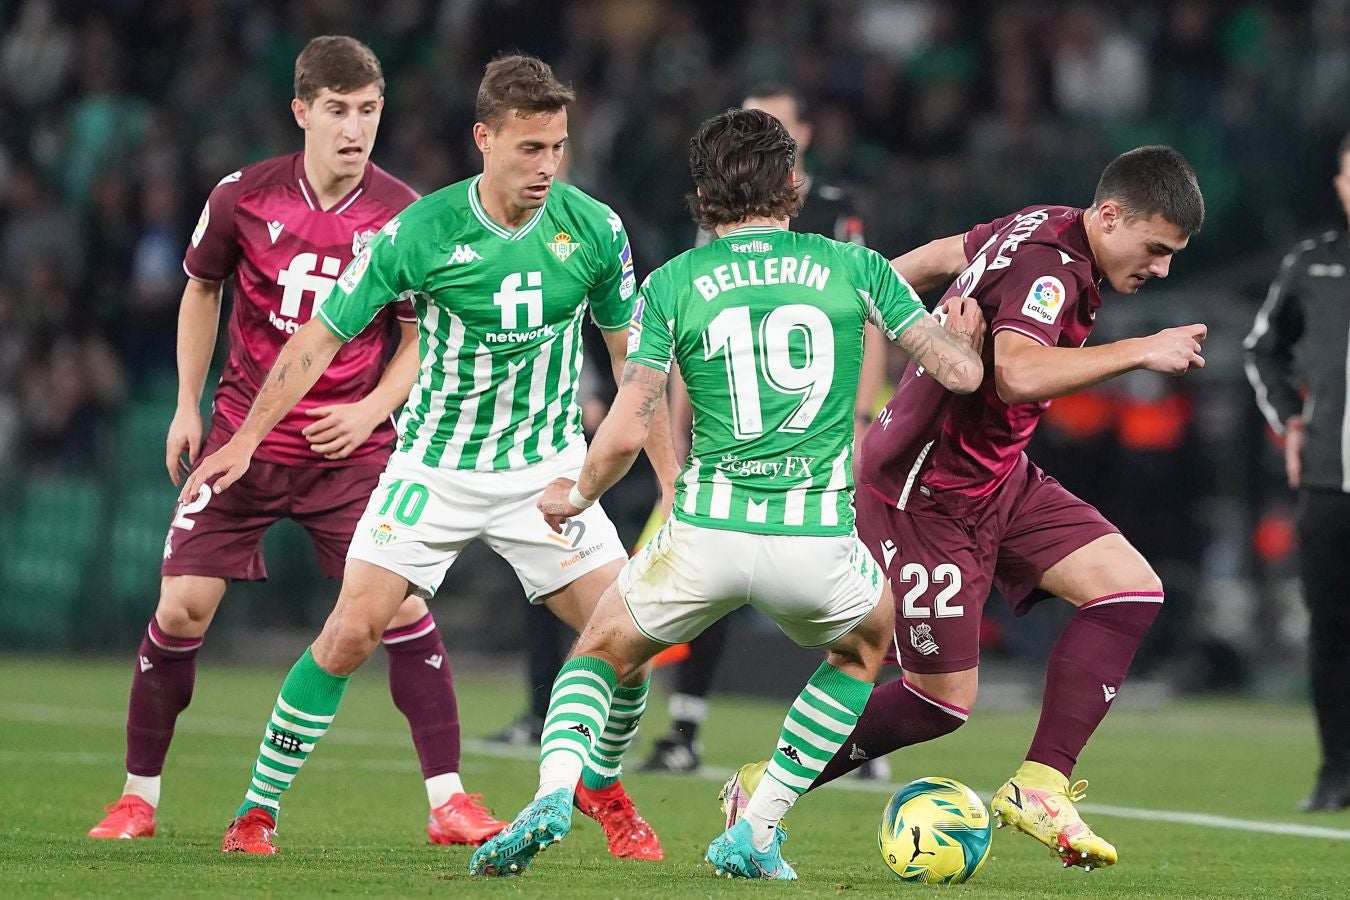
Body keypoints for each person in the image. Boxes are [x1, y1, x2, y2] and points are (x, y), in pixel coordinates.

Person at [467, 107, 983, 880]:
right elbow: (957, 374)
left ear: (704, 194)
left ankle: (550, 792)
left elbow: (627, 423)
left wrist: (578, 494)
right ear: (792, 183)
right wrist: (965, 339)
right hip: (814, 539)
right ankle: (760, 825)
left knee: (601, 650)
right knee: (865, 646)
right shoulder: (857, 266)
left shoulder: (674, 281)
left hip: (705, 532)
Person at [183, 54, 678, 859]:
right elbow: (320, 337)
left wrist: (670, 481)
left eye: (557, 147)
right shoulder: (417, 232)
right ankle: (256, 810)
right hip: (434, 467)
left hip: (544, 472)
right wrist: (242, 436)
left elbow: (637, 368)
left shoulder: (596, 228)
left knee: (632, 642)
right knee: (349, 632)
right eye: (529, 148)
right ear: (484, 138)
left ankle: (602, 783)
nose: (547, 165)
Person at [722, 146, 1208, 872]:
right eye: (1156, 249)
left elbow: (930, 259)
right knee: (939, 701)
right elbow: (1015, 373)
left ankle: (1039, 785)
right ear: (1109, 216)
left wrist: (874, 306)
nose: (1162, 268)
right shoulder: (1053, 265)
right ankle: (764, 789)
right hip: (925, 490)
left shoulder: (1044, 221)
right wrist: (1141, 350)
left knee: (1128, 588)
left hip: (994, 475)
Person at [87, 35, 506, 849]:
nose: (355, 128)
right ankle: (137, 799)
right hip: (245, 441)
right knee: (180, 609)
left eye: (370, 111)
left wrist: (374, 406)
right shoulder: (244, 196)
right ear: (302, 112)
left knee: (400, 608)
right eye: (339, 111)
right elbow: (201, 290)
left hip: (351, 452)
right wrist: (185, 404)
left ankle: (448, 802)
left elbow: (424, 336)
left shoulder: (406, 216)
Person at [642, 83, 891, 776]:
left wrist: (862, 418)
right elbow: (695, 334)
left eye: (772, 125)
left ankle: (865, 738)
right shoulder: (715, 231)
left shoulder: (838, 215)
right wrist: (680, 424)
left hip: (827, 421)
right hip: (735, 424)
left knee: (844, 571)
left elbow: (869, 321)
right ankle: (685, 728)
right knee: (724, 574)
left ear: (801, 139)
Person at [1243, 133, 1350, 813]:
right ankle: (1337, 770)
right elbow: (1261, 348)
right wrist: (1291, 419)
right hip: (1328, 481)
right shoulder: (1313, 264)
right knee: (1331, 629)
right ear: (1339, 183)